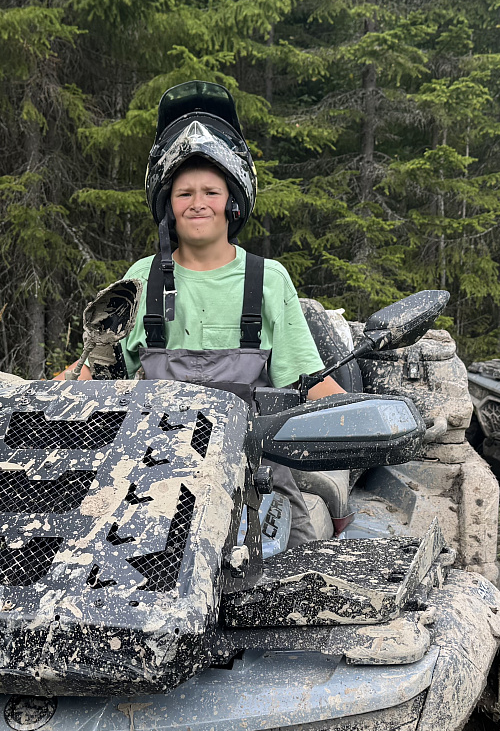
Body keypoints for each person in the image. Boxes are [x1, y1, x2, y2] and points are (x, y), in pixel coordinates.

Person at [81, 80, 344, 547]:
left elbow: (309, 383)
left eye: (211, 191)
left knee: (300, 572)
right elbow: (95, 376)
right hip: (151, 484)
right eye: (184, 193)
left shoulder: (268, 279)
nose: (198, 203)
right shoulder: (141, 278)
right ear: (167, 203)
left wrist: (366, 419)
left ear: (233, 201)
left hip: (257, 484)